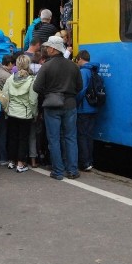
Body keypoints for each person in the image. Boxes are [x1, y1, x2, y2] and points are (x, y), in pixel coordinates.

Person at [32, 35, 83, 180]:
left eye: (48, 47)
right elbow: (79, 86)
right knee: (71, 137)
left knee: (53, 139)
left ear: (54, 49)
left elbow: (36, 87)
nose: (46, 49)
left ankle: (58, 171)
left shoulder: (46, 66)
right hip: (70, 104)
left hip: (52, 105)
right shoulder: (73, 65)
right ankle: (72, 170)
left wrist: (49, 93)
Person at [2, 55, 38, 172]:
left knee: (12, 137)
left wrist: (7, 110)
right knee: (23, 139)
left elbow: (5, 96)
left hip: (12, 112)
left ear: (17, 65)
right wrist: (35, 114)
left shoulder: (10, 78)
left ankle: (11, 161)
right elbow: (33, 100)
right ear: (28, 65)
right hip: (25, 114)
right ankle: (20, 163)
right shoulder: (31, 80)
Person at [76, 50, 99, 171]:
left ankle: (85, 163)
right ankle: (89, 160)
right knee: (89, 136)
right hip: (93, 108)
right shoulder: (94, 70)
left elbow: (81, 90)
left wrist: (75, 103)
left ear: (80, 58)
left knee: (82, 136)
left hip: (83, 108)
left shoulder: (84, 72)